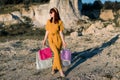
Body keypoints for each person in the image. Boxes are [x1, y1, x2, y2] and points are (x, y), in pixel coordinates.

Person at [42, 7, 66, 77]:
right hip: (51, 39)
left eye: (52, 12)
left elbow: (61, 33)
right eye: (50, 12)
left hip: (58, 39)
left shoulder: (60, 22)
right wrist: (44, 40)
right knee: (56, 53)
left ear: (56, 14)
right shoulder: (48, 21)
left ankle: (53, 69)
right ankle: (61, 71)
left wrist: (63, 41)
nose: (51, 14)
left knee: (57, 55)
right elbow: (47, 31)